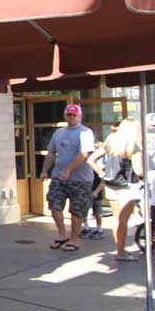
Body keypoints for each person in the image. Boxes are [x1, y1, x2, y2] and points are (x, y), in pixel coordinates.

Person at [40, 104, 96, 252]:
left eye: (74, 115)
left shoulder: (85, 132)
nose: (71, 117)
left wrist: (68, 170)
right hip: (58, 176)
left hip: (80, 179)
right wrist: (45, 170)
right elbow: (51, 152)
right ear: (65, 116)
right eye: (69, 115)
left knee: (77, 210)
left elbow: (84, 154)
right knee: (54, 204)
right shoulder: (58, 133)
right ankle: (62, 235)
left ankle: (74, 239)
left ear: (80, 116)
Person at [88, 118, 144, 261]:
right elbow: (138, 171)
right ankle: (121, 251)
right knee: (123, 220)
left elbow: (91, 159)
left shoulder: (111, 140)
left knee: (116, 218)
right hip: (128, 185)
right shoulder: (134, 145)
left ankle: (119, 249)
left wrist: (101, 173)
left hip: (111, 183)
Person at [81, 166, 106, 240]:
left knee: (97, 212)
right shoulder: (84, 171)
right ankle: (86, 228)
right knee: (83, 211)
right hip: (86, 193)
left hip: (96, 194)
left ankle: (99, 229)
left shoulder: (97, 171)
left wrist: (96, 191)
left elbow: (103, 182)